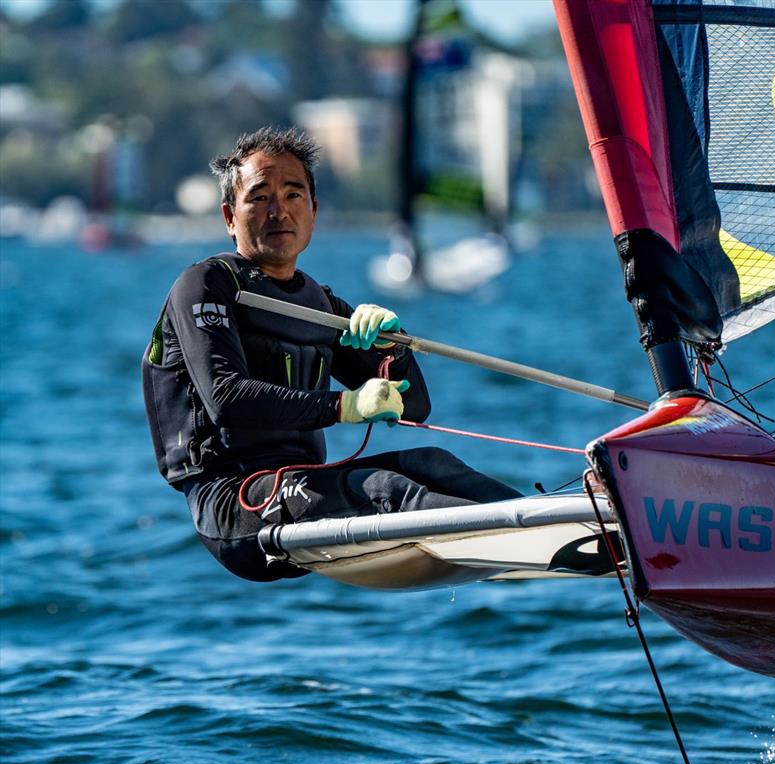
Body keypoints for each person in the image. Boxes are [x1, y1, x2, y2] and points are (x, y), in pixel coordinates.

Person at [142, 126, 522, 582]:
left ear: (314, 210)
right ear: (229, 216)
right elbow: (227, 399)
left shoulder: (318, 304)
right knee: (387, 489)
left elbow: (415, 407)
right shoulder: (206, 285)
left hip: (303, 486)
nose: (278, 210)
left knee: (432, 462)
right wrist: (347, 405)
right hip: (232, 504)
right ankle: (518, 539)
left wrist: (391, 347)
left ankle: (553, 521)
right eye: (259, 196)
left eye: (293, 194)